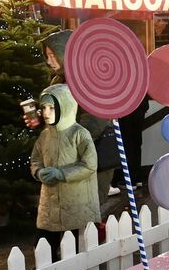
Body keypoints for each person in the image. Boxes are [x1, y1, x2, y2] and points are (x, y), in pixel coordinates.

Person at [37, 31, 117, 211]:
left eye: (53, 55)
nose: (49, 61)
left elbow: (95, 120)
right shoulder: (59, 79)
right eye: (47, 55)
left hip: (86, 157)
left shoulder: (89, 80)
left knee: (84, 210)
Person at [30, 84, 100, 258]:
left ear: (65, 107)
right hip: (50, 203)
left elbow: (90, 164)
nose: (46, 113)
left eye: (52, 108)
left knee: (76, 247)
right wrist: (38, 172)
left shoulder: (80, 134)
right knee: (44, 244)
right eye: (44, 107)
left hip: (77, 201)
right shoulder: (45, 136)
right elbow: (36, 158)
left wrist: (61, 174)